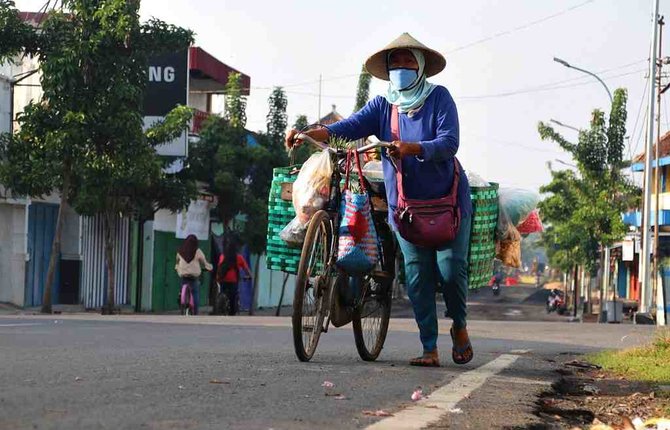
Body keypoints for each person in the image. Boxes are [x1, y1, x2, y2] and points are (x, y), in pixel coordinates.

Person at [286, 33, 473, 367]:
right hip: (405, 207)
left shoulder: (439, 98)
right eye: (395, 62)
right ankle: (429, 348)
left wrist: (415, 148)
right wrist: (308, 133)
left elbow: (449, 142)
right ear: (388, 69)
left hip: (448, 204)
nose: (400, 67)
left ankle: (459, 326)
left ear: (420, 66)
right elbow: (348, 127)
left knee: (451, 271)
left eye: (407, 61)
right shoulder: (383, 105)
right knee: (416, 276)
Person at [175, 234, 213, 315]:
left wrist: (177, 267)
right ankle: (195, 312)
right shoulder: (197, 251)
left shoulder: (180, 251)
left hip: (183, 275)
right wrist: (209, 267)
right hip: (193, 276)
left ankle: (181, 296)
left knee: (182, 285)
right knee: (195, 292)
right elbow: (204, 262)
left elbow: (177, 261)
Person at [216, 239, 252, 315]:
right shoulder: (239, 258)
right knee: (233, 297)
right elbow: (246, 270)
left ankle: (221, 305)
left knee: (222, 292)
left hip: (222, 279)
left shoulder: (222, 256)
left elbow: (219, 267)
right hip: (233, 280)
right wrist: (249, 276)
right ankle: (232, 312)